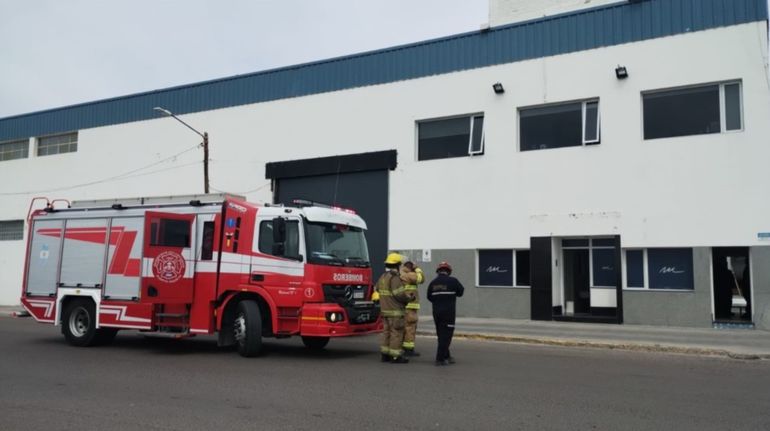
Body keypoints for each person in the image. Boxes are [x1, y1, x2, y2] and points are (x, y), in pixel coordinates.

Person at [374, 252, 416, 364]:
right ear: (397, 265)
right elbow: (399, 295)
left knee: (386, 332)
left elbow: (377, 289)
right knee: (396, 333)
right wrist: (409, 298)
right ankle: (396, 356)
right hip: (395, 312)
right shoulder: (395, 278)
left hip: (385, 311)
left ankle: (385, 355)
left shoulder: (382, 277)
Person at [427, 261, 464, 366]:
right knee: (446, 335)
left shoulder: (433, 283)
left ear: (438, 271)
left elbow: (429, 297)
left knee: (441, 334)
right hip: (448, 313)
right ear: (449, 271)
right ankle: (440, 359)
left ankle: (447, 355)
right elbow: (461, 292)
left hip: (436, 312)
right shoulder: (453, 281)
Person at [400, 261, 425, 357]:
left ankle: (402, 346)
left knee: (403, 327)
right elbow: (421, 278)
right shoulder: (410, 275)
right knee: (410, 328)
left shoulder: (400, 274)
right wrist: (417, 268)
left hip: (403, 306)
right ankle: (409, 349)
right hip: (410, 306)